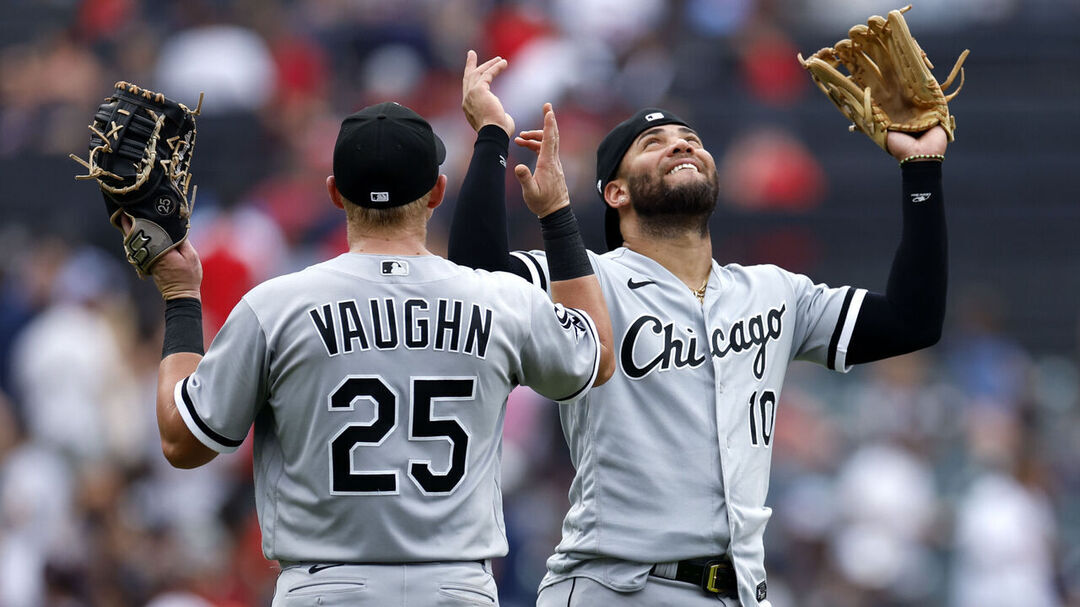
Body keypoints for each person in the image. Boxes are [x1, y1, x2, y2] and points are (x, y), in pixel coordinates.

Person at [146, 52, 614, 607]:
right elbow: (597, 355)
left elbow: (183, 441)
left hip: (326, 587)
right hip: (455, 586)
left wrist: (180, 298)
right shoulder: (500, 298)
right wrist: (553, 206)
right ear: (438, 192)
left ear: (334, 193)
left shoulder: (276, 305)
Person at [448, 93, 948, 604]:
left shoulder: (775, 291)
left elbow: (911, 322)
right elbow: (474, 278)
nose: (680, 145)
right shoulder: (584, 279)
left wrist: (921, 172)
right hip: (619, 584)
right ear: (615, 192)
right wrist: (492, 137)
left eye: (691, 139)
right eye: (653, 142)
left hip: (741, 591)